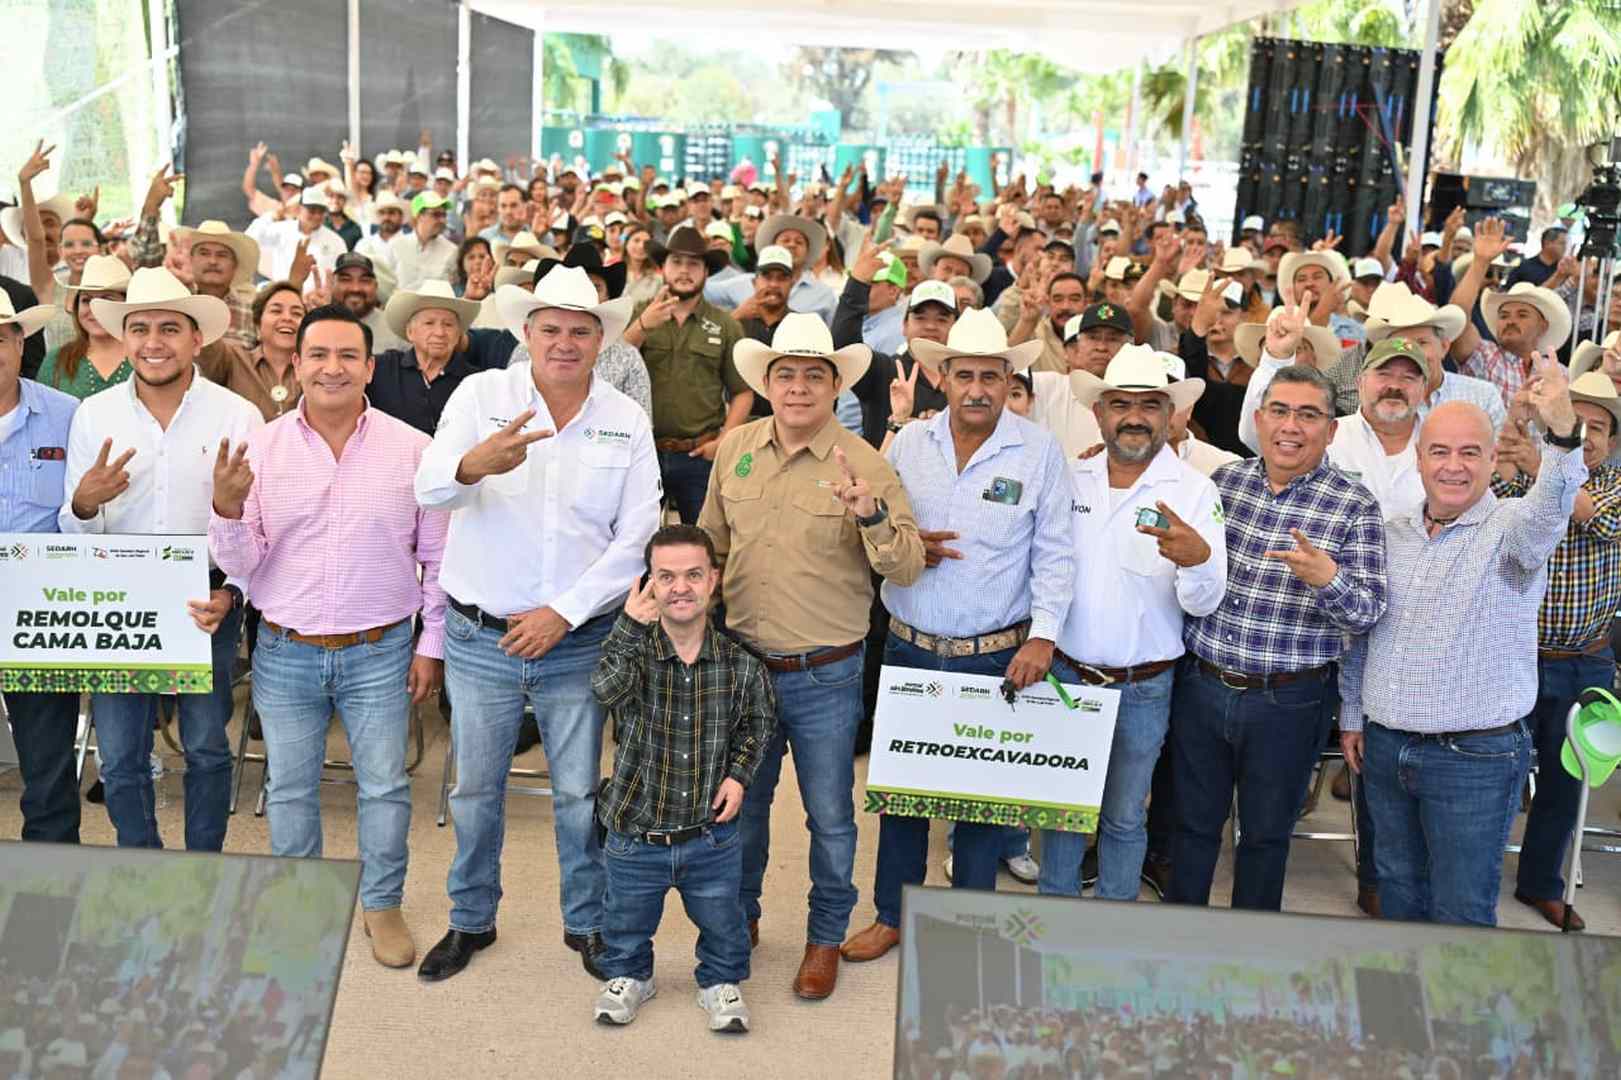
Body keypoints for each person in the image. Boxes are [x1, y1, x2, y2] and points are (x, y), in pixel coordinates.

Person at [413, 266, 660, 983]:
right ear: (526, 333)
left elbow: (637, 536)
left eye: (580, 331)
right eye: (550, 328)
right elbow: (427, 488)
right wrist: (473, 464)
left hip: (579, 640)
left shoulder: (624, 417)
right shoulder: (479, 396)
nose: (564, 342)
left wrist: (563, 612)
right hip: (480, 637)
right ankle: (470, 918)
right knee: (473, 789)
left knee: (579, 793)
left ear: (600, 341)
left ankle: (586, 923)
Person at [208, 304, 447, 968]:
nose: (332, 368)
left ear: (370, 368)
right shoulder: (260, 448)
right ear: (297, 363)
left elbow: (437, 557)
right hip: (285, 649)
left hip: (381, 649)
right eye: (318, 354)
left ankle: (382, 903)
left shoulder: (414, 450)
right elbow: (241, 563)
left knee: (385, 786)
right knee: (288, 786)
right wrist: (227, 507)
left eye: (347, 356)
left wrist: (431, 645)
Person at [839, 305, 1073, 964]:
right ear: (942, 378)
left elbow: (1056, 552)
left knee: (981, 806)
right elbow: (879, 527)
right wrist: (907, 542)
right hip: (910, 646)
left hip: (994, 655)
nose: (976, 389)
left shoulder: (1039, 451)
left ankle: (970, 923)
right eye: (964, 375)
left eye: (990, 377)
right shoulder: (910, 444)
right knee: (902, 797)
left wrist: (1043, 637)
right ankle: (891, 915)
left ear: (1008, 382)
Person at [700, 313, 924, 1000]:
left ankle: (824, 937)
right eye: (786, 374)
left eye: (812, 376)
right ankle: (740, 919)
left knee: (829, 817)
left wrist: (869, 515)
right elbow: (712, 546)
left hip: (825, 674)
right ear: (767, 383)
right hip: (744, 669)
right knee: (742, 808)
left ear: (834, 386)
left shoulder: (865, 462)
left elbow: (907, 566)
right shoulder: (736, 448)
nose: (798, 387)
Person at [1339, 354, 1584, 927]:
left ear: (1493, 459)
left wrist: (1562, 433)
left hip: (1474, 758)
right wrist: (1353, 713)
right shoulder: (1391, 532)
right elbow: (1363, 632)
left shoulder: (1514, 529)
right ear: (1419, 459)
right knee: (1397, 893)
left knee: (1461, 911)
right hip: (1385, 745)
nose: (1454, 466)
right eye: (1440, 452)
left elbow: (1551, 510)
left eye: (1470, 452)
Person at [59, 268, 263, 851]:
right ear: (124, 338)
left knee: (206, 747)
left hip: (206, 599)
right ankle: (142, 863)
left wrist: (232, 592)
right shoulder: (94, 414)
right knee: (121, 755)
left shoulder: (237, 416)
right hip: (119, 600)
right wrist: (84, 502)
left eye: (169, 328)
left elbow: (258, 527)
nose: (154, 342)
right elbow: (73, 527)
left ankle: (202, 867)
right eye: (140, 328)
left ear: (197, 339)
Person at [1171, 364, 1387, 911]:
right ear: (1260, 419)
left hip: (1289, 702)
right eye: (1281, 411)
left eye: (1308, 415)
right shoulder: (1224, 483)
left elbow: (1368, 613)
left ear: (1331, 430)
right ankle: (1175, 939)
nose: (1291, 426)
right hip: (1203, 687)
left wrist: (1328, 579)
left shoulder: (1355, 504)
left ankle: (1251, 948)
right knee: (1190, 828)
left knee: (1265, 838)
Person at [1036, 345, 1227, 901]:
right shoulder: (1069, 477)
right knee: (1063, 815)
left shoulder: (1195, 490)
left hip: (1143, 688)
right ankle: (1053, 920)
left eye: (1149, 405)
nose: (1134, 417)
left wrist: (1196, 560)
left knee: (1123, 818)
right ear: (1099, 413)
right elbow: (1045, 569)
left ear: (1169, 415)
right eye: (1120, 404)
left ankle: (1112, 923)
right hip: (1066, 679)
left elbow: (1204, 602)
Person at [589, 525, 777, 1032]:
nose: (680, 588)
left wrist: (739, 776)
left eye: (693, 575)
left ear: (713, 579)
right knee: (625, 919)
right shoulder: (632, 650)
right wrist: (629, 626)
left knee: (724, 919)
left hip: (709, 836)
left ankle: (719, 980)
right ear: (649, 583)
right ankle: (630, 975)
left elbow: (758, 725)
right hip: (636, 830)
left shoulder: (741, 665)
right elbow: (606, 690)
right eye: (666, 577)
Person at [1488, 370, 1621, 931]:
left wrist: (1545, 466)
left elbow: (1594, 515)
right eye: (1576, 421)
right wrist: (1518, 442)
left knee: (1566, 785)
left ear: (1613, 441)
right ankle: (1472, 876)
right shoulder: (1530, 471)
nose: (1586, 434)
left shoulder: (1614, 486)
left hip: (1586, 662)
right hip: (1514, 654)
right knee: (1495, 775)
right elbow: (1492, 507)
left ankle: (1541, 885)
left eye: (1598, 427)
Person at [0, 290, 81, 843]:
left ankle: (51, 880)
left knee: (49, 765)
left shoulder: (67, 415)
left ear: (19, 341)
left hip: (41, 616)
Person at [620, 225, 751, 523]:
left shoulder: (726, 325)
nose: (684, 270)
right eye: (676, 262)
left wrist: (724, 440)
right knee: (636, 539)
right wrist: (642, 326)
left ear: (706, 271)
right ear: (662, 267)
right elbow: (613, 367)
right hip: (642, 451)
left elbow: (742, 392)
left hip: (699, 454)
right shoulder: (637, 313)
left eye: (693, 263)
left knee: (704, 539)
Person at [508, 247, 650, 421]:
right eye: (550, 331)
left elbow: (641, 423)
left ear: (608, 297)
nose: (582, 292)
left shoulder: (628, 357)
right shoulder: (524, 349)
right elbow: (508, 407)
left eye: (594, 287)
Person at [1449, 219, 1572, 409]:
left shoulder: (1558, 373)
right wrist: (1481, 261)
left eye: (1522, 315)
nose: (1511, 321)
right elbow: (1457, 318)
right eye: (1504, 315)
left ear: (1543, 326)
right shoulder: (1485, 356)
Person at [368, 280, 508, 435]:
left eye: (448, 325)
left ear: (459, 334)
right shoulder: (381, 369)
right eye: (429, 323)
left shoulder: (476, 381)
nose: (440, 332)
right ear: (410, 332)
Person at [707, 213, 837, 326]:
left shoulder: (825, 295)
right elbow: (702, 292)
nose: (792, 245)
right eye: (785, 240)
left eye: (799, 242)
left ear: (807, 251)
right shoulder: (741, 283)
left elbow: (834, 337)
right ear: (772, 246)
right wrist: (736, 315)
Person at [200, 282, 304, 422]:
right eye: (276, 311)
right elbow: (205, 335)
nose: (287, 318)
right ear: (257, 325)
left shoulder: (313, 368)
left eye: (297, 313)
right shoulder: (233, 360)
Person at [35, 255, 134, 399]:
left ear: (127, 304)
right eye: (86, 300)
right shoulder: (57, 360)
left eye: (106, 299)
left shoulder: (146, 356)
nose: (94, 308)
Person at [1009, 272, 1090, 376]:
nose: (1065, 306)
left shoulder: (1098, 337)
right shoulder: (1036, 333)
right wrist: (1027, 321)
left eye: (1074, 299)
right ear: (1048, 302)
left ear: (1086, 303)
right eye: (1058, 299)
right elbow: (1008, 360)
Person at [325, 252, 407, 353]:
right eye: (346, 280)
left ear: (375, 286)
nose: (355, 288)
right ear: (332, 285)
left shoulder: (396, 329)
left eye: (364, 280)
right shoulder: (316, 326)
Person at [388, 192, 459, 293]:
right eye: (436, 215)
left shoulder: (451, 250)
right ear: (419, 216)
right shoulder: (396, 245)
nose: (442, 220)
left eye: (444, 215)